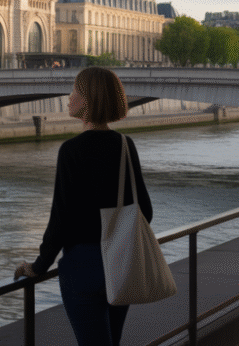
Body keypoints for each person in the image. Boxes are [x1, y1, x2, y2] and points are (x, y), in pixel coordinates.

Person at [14, 67, 153, 346]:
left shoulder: (71, 150)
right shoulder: (126, 145)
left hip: (83, 265)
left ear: (88, 99)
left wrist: (39, 266)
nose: (69, 97)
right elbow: (145, 210)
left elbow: (60, 219)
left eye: (75, 90)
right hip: (121, 261)